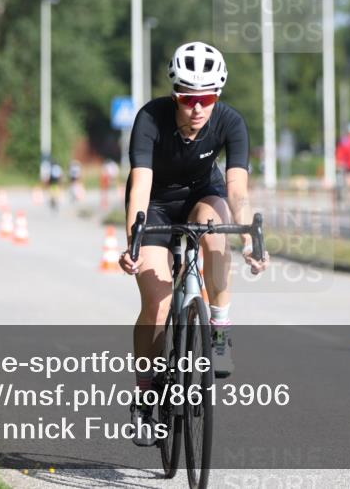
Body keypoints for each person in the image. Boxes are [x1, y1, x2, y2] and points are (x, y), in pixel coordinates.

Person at [119, 41, 269, 446]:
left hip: (204, 195)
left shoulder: (231, 122)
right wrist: (134, 240)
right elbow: (141, 184)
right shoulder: (150, 119)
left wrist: (250, 235)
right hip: (154, 205)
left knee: (215, 231)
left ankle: (218, 326)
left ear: (216, 96)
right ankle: (147, 398)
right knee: (157, 301)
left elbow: (237, 189)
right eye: (188, 99)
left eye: (207, 98)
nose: (198, 108)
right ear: (175, 95)